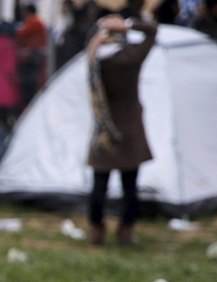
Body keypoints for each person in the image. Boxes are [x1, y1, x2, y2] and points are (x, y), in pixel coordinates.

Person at [86, 14, 157, 246]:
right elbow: (153, 30)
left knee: (99, 185)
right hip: (131, 129)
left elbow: (91, 47)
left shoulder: (97, 60)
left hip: (105, 129)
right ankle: (126, 230)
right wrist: (128, 24)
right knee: (130, 187)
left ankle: (96, 228)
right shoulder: (133, 56)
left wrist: (103, 31)